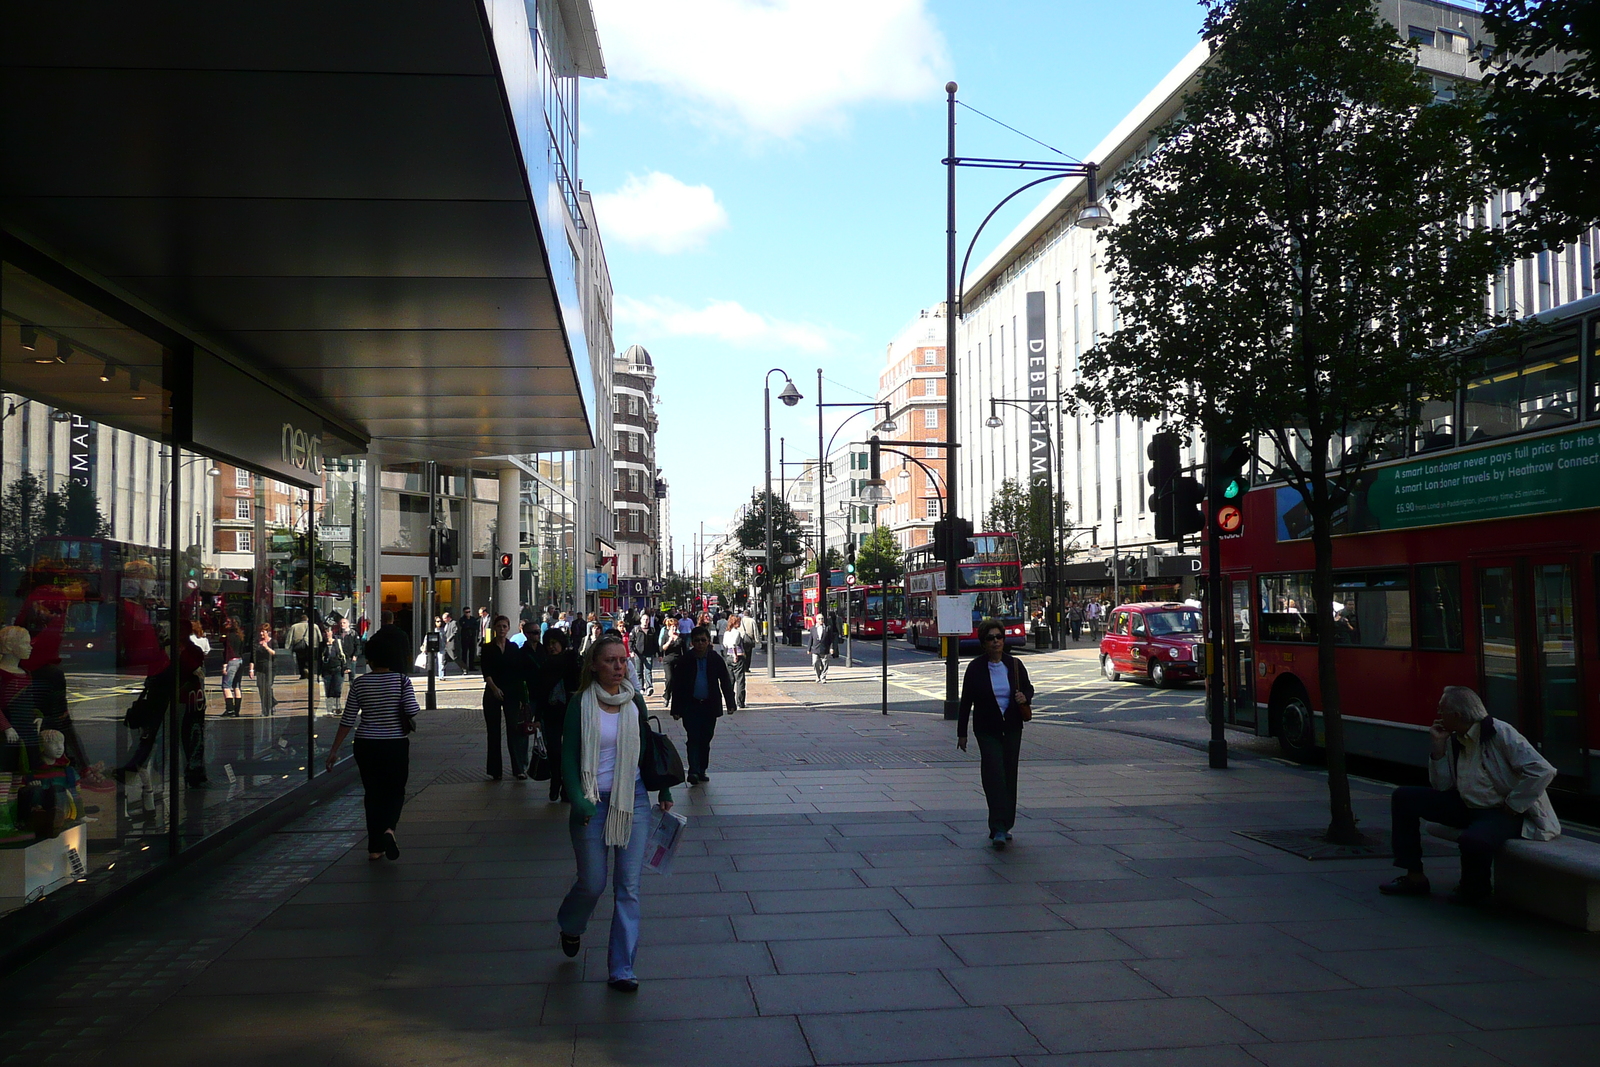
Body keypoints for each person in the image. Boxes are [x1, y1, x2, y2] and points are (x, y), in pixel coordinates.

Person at [556, 634, 675, 992]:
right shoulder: (580, 703)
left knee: (629, 887)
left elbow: (647, 750)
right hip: (592, 802)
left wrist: (664, 788)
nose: (618, 667)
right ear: (593, 664)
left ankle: (622, 968)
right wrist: (577, 798)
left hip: (633, 800)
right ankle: (571, 923)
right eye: (610, 661)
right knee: (592, 883)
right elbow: (569, 756)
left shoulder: (633, 700)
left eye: (622, 661)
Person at [1380, 685, 1559, 905]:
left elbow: (1543, 770)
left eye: (1441, 710)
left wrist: (1514, 803)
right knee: (1403, 797)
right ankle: (1414, 877)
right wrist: (1438, 748)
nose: (1438, 716)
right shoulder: (1456, 738)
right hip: (1467, 805)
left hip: (1501, 811)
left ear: (1456, 715)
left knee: (1473, 840)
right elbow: (1442, 786)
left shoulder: (1500, 732)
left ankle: (1474, 890)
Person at [324, 626, 419, 861]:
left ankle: (374, 847)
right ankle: (389, 829)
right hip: (395, 743)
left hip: (366, 743)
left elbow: (347, 719)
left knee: (372, 793)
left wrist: (334, 750)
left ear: (371, 660)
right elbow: (412, 710)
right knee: (395, 790)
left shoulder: (360, 684)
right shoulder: (401, 681)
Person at [958, 618, 1035, 849]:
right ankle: (998, 827)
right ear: (983, 642)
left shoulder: (1014, 664)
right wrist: (962, 733)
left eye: (999, 637)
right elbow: (966, 702)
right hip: (986, 729)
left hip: (1012, 727)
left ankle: (1005, 824)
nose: (996, 642)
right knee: (994, 776)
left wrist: (1025, 697)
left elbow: (1029, 688)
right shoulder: (975, 668)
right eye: (990, 638)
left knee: (1009, 775)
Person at [667, 626, 736, 784]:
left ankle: (702, 768)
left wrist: (730, 703)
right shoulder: (685, 660)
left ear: (708, 641)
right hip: (691, 706)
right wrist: (675, 709)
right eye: (697, 640)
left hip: (709, 706)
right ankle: (693, 770)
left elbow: (725, 681)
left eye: (703, 640)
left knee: (706, 738)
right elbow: (677, 686)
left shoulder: (715, 659)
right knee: (693, 738)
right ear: (692, 642)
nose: (700, 643)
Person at [480, 615, 531, 781]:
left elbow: (519, 673)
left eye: (504, 626)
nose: (502, 629)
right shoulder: (487, 648)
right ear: (494, 628)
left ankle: (518, 769)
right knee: (493, 732)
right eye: (499, 626)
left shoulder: (513, 648)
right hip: (493, 691)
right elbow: (486, 672)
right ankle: (495, 770)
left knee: (513, 730)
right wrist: (494, 688)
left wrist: (522, 697)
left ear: (509, 628)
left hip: (511, 693)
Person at [536, 628, 582, 802]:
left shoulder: (571, 660)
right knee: (554, 750)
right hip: (551, 712)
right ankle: (556, 780)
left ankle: (566, 787)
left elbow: (579, 683)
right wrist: (537, 717)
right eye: (548, 644)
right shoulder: (545, 664)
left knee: (570, 750)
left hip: (570, 711)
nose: (551, 647)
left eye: (554, 643)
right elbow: (540, 692)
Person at [723, 612, 752, 710]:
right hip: (737, 656)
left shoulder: (727, 632)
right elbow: (734, 644)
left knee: (730, 680)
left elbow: (725, 645)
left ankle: (729, 701)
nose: (740, 623)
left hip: (728, 656)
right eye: (738, 622)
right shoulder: (736, 632)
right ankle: (740, 702)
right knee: (740, 680)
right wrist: (735, 655)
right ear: (735, 623)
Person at [220, 616, 248, 717]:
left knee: (226, 686)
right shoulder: (240, 636)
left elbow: (228, 651)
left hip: (231, 661)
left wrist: (225, 664)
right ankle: (237, 710)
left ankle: (230, 709)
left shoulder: (229, 636)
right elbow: (242, 650)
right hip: (239, 660)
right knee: (237, 686)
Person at [250, 624, 277, 716]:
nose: (261, 633)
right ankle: (265, 708)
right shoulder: (256, 643)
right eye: (260, 632)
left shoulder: (272, 641)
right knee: (261, 688)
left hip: (270, 667)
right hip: (260, 668)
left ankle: (269, 707)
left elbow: (275, 654)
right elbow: (252, 657)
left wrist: (266, 647)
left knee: (267, 687)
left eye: (263, 632)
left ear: (267, 632)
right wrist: (251, 669)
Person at [630, 615, 656, 695]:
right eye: (644, 619)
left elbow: (655, 642)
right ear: (641, 620)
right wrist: (631, 651)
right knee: (639, 671)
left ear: (649, 621)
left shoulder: (652, 630)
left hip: (649, 653)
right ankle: (640, 687)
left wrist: (659, 654)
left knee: (648, 670)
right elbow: (631, 641)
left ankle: (649, 687)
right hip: (638, 653)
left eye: (647, 619)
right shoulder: (636, 630)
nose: (645, 621)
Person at [808, 614, 837, 683]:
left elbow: (831, 639)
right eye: (819, 619)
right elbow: (810, 639)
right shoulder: (813, 628)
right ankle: (818, 675)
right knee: (815, 662)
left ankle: (823, 677)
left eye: (822, 619)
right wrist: (808, 649)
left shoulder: (828, 628)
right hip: (815, 649)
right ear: (816, 620)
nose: (821, 620)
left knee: (825, 664)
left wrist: (831, 648)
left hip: (825, 649)